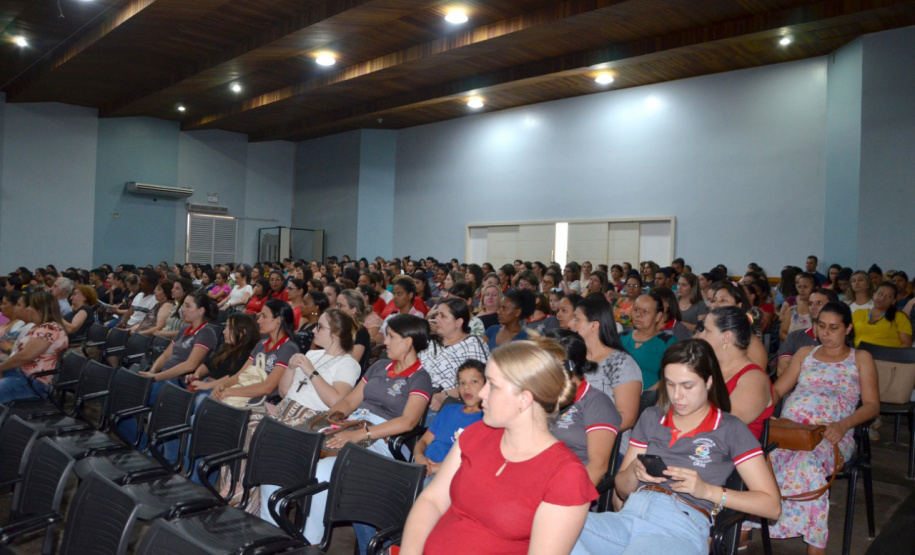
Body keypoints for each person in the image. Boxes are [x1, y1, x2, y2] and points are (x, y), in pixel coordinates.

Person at [571, 339, 781, 555]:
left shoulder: (730, 428)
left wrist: (708, 491)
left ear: (708, 382)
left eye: (687, 386)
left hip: (679, 525)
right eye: (670, 384)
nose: (677, 395)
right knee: (555, 527)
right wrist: (634, 471)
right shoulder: (652, 417)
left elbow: (771, 506)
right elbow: (622, 491)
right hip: (628, 518)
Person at [401, 340, 596, 555]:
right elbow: (433, 500)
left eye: (492, 385)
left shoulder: (566, 475)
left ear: (524, 399)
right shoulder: (476, 434)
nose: (482, 393)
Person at [285, 314, 433, 548]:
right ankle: (309, 540)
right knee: (316, 463)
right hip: (355, 425)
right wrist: (333, 419)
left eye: (391, 337)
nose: (385, 342)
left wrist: (360, 434)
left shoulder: (420, 378)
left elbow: (407, 422)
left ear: (408, 342)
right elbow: (350, 402)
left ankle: (317, 540)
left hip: (383, 438)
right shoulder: (379, 366)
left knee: (331, 471)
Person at [764, 301, 879, 554]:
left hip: (832, 435)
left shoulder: (860, 358)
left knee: (807, 466)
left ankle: (816, 545)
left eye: (834, 327)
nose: (826, 333)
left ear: (848, 328)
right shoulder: (805, 354)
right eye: (821, 326)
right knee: (763, 460)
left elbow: (872, 406)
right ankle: (751, 527)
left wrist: (843, 424)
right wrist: (761, 413)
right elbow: (779, 389)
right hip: (791, 431)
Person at [547, 329, 622, 486]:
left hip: (570, 486)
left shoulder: (596, 403)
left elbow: (598, 467)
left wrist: (565, 500)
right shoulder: (542, 396)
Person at [568, 295, 641, 448]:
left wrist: (583, 433)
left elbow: (627, 418)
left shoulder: (620, 363)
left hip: (605, 446)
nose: (570, 324)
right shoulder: (571, 359)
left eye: (576, 319)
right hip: (569, 439)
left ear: (593, 326)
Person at [695, 306, 773, 440]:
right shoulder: (705, 369)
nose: (700, 336)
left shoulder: (754, 380)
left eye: (707, 331)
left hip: (730, 455)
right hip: (697, 446)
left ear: (727, 337)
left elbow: (723, 425)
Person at [413, 359, 486, 484]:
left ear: (486, 385)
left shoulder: (486, 420)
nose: (466, 387)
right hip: (423, 467)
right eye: (461, 383)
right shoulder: (449, 410)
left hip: (449, 475)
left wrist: (434, 468)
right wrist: (419, 457)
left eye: (474, 381)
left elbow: (472, 461)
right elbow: (424, 441)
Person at [139, 292, 219, 401]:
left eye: (188, 306)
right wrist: (152, 371)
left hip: (176, 383)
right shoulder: (184, 329)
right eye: (183, 305)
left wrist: (155, 377)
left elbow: (189, 365)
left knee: (137, 396)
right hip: (163, 377)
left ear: (200, 310)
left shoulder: (206, 332)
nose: (183, 310)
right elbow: (165, 356)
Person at [423, 298, 491, 413]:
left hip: (448, 404)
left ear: (458, 323)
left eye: (442, 316)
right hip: (418, 395)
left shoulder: (473, 344)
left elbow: (480, 383)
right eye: (437, 315)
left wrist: (444, 395)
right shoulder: (430, 342)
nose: (436, 319)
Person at [0, 292, 69, 403]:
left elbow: (25, 356)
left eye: (31, 306)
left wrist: (1, 367)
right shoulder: (40, 327)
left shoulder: (50, 328)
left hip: (33, 383)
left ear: (40, 310)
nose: (28, 309)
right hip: (21, 375)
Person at [620, 291, 677, 389]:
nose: (638, 315)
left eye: (645, 312)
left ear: (658, 316)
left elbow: (672, 377)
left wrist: (645, 395)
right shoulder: (620, 338)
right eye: (636, 310)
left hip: (651, 398)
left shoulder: (668, 343)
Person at [705, 281, 768, 369]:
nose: (715, 304)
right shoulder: (707, 331)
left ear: (738, 305)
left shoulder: (751, 341)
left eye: (723, 300)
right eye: (714, 300)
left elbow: (756, 375)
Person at [774, 289, 837, 377]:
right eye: (811, 304)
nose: (813, 307)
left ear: (833, 307)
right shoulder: (795, 336)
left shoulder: (839, 339)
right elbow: (782, 371)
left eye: (819, 303)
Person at [851, 281, 913, 347]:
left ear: (893, 301)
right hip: (859, 355)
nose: (883, 298)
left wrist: (893, 357)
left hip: (887, 356)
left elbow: (907, 344)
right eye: (880, 294)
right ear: (874, 295)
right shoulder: (858, 313)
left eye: (888, 296)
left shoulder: (900, 317)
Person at [333, 289, 373, 369]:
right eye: (336, 304)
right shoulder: (338, 328)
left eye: (340, 305)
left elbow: (351, 365)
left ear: (353, 310)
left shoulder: (360, 333)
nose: (336, 308)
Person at [780, 273, 815, 340]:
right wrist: (794, 343)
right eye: (799, 287)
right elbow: (782, 333)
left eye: (805, 287)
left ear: (813, 288)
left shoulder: (817, 311)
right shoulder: (791, 310)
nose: (802, 290)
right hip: (791, 347)